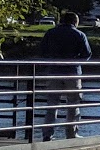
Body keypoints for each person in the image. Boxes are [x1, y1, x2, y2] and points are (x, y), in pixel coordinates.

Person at [38, 11, 91, 141]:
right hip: (72, 72)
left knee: (52, 103)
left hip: (53, 71)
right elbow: (87, 54)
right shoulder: (79, 35)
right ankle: (71, 133)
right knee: (73, 103)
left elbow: (42, 51)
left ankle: (47, 134)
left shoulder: (50, 33)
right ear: (74, 21)